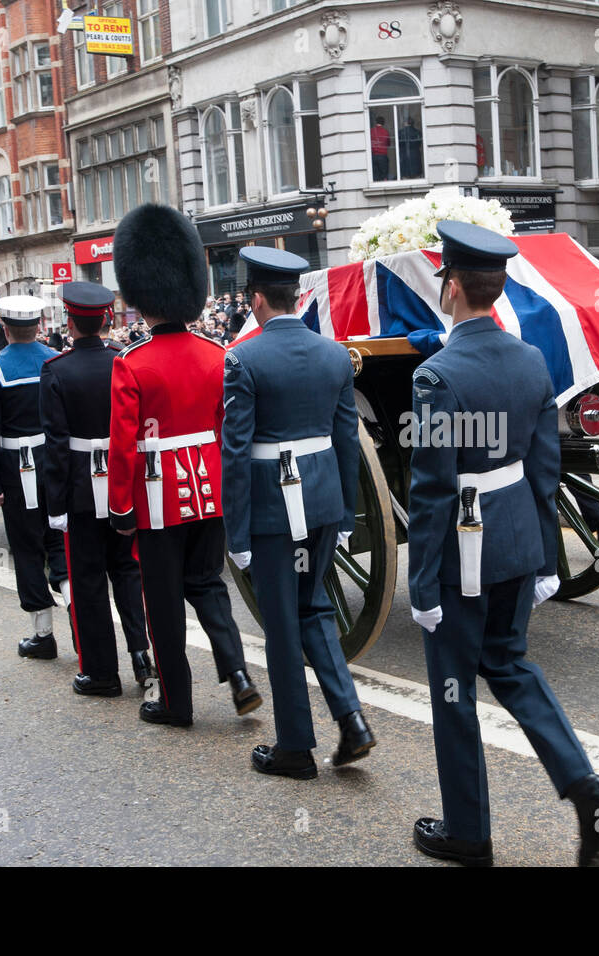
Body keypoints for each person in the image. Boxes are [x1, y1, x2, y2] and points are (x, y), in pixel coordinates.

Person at [408, 220, 599, 868]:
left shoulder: (436, 376)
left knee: (453, 689)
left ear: (451, 287)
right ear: (498, 288)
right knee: (509, 666)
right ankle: (588, 789)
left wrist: (421, 584)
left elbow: (433, 491)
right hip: (513, 543)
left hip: (460, 553)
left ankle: (469, 832)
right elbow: (543, 468)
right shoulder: (531, 360)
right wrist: (544, 558)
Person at [107, 203, 263, 728]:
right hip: (209, 490)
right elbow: (227, 429)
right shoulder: (216, 354)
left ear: (139, 295)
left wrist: (120, 506)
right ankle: (238, 674)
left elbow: (124, 446)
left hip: (156, 500)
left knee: (163, 603)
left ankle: (177, 701)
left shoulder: (132, 363)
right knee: (208, 584)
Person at [221, 246, 375, 779]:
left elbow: (236, 453)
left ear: (258, 299)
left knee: (283, 623)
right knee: (316, 610)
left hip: (269, 510)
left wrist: (235, 532)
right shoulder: (335, 354)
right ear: (299, 297)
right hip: (322, 504)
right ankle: (351, 719)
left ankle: (294, 746)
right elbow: (346, 440)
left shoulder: (243, 359)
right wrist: (346, 513)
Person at [40, 282, 155, 697]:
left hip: (80, 488)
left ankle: (103, 672)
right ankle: (142, 657)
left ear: (70, 323)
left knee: (87, 580)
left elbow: (54, 445)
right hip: (122, 484)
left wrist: (56, 504)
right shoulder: (122, 362)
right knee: (127, 571)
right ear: (107, 320)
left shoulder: (56, 369)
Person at [0, 295, 69, 659]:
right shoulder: (54, 360)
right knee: (59, 543)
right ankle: (80, 619)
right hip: (54, 463)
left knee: (28, 550)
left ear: (4, 328)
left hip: (17, 468)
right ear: (39, 326)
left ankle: (43, 636)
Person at [370, 115, 391, 181]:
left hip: (374, 156)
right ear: (383, 123)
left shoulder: (371, 131)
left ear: (376, 122)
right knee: (384, 175)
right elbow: (388, 143)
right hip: (382, 156)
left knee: (375, 176)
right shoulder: (385, 132)